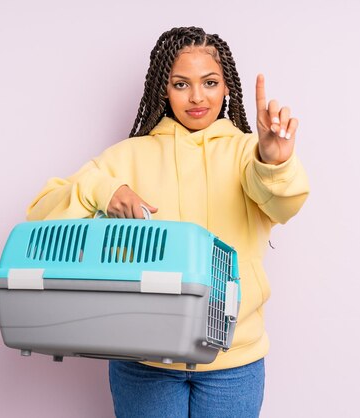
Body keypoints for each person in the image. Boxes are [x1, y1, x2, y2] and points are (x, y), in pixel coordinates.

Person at [26, 26, 309, 418]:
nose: (197, 97)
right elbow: (40, 213)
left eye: (210, 82)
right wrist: (104, 192)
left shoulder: (250, 152)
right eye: (181, 84)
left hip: (234, 360)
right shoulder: (128, 156)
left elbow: (284, 204)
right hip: (143, 361)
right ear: (163, 88)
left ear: (227, 87)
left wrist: (274, 161)